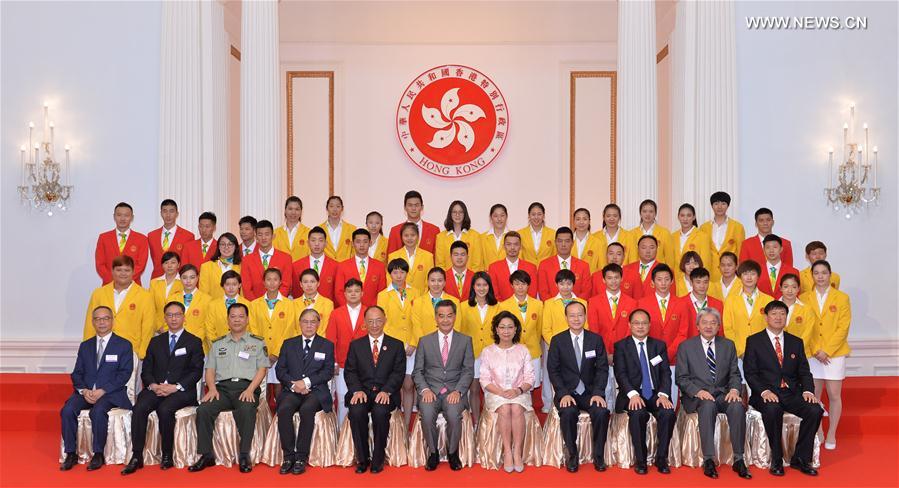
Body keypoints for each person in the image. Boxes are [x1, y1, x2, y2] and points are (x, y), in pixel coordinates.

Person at [122, 301, 204, 474]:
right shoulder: (155, 341)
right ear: (165, 318)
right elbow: (147, 370)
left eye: (177, 315)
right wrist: (152, 385)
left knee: (165, 409)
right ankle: (137, 455)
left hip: (181, 391)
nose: (173, 319)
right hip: (156, 388)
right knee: (140, 407)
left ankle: (167, 454)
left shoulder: (194, 342)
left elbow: (196, 371)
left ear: (184, 317)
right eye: (170, 315)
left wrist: (176, 387)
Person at [743, 301, 823, 476]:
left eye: (782, 314)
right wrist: (764, 391)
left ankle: (801, 459)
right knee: (773, 410)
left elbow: (804, 372)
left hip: (791, 393)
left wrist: (808, 391)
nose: (778, 317)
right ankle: (777, 460)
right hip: (765, 393)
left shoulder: (796, 342)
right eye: (774, 314)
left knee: (815, 410)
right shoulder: (754, 341)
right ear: (766, 317)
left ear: (786, 317)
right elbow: (750, 373)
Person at [189, 303, 268, 473]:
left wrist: (250, 390)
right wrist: (211, 388)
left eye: (241, 316)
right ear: (227, 320)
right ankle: (206, 454)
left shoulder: (257, 342)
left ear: (247, 319)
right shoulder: (218, 344)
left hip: (246, 388)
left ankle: (244, 454)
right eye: (233, 316)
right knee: (203, 410)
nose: (237, 320)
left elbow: (262, 369)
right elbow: (209, 370)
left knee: (247, 410)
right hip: (222, 389)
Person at [675, 308, 751, 480]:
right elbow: (681, 377)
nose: (709, 326)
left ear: (718, 326)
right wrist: (698, 391)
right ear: (697, 326)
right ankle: (708, 459)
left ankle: (739, 458)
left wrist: (734, 389)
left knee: (737, 406)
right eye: (704, 322)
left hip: (723, 393)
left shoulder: (728, 345)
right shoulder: (686, 347)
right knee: (708, 406)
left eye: (713, 323)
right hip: (698, 396)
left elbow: (734, 374)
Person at [60, 306, 135, 472]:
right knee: (67, 410)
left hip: (111, 393)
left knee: (98, 410)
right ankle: (71, 453)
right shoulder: (85, 346)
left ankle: (98, 454)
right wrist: (83, 391)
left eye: (106, 318)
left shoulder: (123, 345)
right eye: (98, 319)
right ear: (93, 322)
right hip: (87, 392)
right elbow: (77, 373)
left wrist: (103, 390)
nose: (102, 322)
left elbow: (124, 374)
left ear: (112, 320)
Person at [547, 301, 610, 473]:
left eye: (580, 315)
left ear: (585, 316)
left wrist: (598, 392)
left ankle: (598, 456)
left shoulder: (595, 339)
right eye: (572, 315)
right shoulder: (558, 340)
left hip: (590, 392)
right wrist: (562, 393)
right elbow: (553, 370)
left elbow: (602, 368)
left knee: (601, 412)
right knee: (568, 412)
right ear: (566, 318)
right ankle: (572, 455)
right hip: (567, 392)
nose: (576, 319)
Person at [413, 300, 475, 471]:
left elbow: (468, 371)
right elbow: (417, 371)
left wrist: (458, 391)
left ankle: (453, 453)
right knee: (426, 414)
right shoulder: (425, 341)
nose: (445, 320)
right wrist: (424, 389)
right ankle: (433, 454)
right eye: (441, 316)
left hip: (454, 391)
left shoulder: (465, 341)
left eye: (449, 316)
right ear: (436, 318)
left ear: (455, 317)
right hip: (430, 391)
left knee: (455, 415)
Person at [344, 306, 406, 474]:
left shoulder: (396, 345)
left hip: (385, 393)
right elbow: (350, 371)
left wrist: (386, 391)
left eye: (378, 320)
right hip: (362, 392)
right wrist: (356, 390)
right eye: (370, 321)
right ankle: (362, 460)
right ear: (364, 323)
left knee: (380, 413)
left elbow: (398, 373)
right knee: (356, 412)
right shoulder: (356, 345)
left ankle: (377, 460)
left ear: (385, 320)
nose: (375, 325)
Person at [613, 309, 675, 475]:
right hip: (631, 393)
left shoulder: (658, 345)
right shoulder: (621, 346)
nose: (640, 326)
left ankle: (661, 458)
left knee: (668, 413)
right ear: (630, 325)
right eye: (636, 323)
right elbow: (620, 374)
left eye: (644, 323)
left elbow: (665, 373)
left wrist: (663, 395)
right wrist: (633, 394)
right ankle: (641, 460)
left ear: (649, 325)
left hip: (654, 393)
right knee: (638, 413)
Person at [275, 309, 336, 475]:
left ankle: (301, 457)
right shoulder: (288, 343)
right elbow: (280, 370)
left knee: (307, 409)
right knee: (284, 409)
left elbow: (328, 372)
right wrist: (294, 385)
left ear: (318, 324)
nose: (309, 325)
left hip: (315, 390)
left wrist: (306, 382)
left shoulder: (327, 345)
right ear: (299, 323)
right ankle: (288, 456)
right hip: (292, 389)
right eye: (305, 321)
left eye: (313, 322)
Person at [800, 260, 851, 450]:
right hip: (812, 354)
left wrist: (827, 350)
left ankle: (832, 433)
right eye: (816, 273)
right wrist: (814, 350)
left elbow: (843, 327)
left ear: (830, 275)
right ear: (811, 276)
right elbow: (804, 326)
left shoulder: (842, 298)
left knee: (834, 394)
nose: (820, 276)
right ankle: (818, 430)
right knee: (813, 395)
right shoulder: (804, 298)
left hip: (834, 354)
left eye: (824, 273)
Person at [479, 311, 536, 473]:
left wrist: (517, 390)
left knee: (516, 408)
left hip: (519, 392)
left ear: (516, 329)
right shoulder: (488, 351)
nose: (506, 331)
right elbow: (484, 379)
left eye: (510, 327)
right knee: (505, 408)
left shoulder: (523, 350)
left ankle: (517, 451)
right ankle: (507, 451)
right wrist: (501, 392)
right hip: (495, 393)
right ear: (496, 329)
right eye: (502, 327)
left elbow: (530, 377)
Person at [83, 255, 155, 359]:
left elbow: (148, 327)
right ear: (112, 271)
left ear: (133, 271)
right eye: (119, 269)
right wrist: (88, 350)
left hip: (131, 352)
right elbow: (90, 324)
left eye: (127, 270)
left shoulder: (145, 296)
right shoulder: (98, 293)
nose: (123, 273)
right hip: (101, 350)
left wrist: (142, 353)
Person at [586, 263, 637, 411]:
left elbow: (631, 330)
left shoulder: (632, 302)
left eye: (616, 277)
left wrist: (618, 354)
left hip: (624, 353)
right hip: (602, 353)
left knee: (623, 389)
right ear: (603, 280)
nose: (613, 281)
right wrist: (605, 354)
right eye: (609, 278)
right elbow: (594, 330)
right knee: (604, 389)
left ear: (622, 279)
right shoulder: (594, 301)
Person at [637, 264, 688, 407]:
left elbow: (683, 333)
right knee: (649, 400)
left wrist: (667, 354)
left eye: (667, 279)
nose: (663, 283)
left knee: (670, 399)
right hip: (649, 358)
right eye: (659, 279)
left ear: (672, 281)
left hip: (673, 360)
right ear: (652, 282)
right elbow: (640, 331)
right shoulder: (642, 303)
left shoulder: (681, 304)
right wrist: (655, 355)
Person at [377, 259, 420, 429]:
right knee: (393, 385)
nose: (399, 275)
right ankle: (394, 426)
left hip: (411, 345)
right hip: (391, 346)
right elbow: (382, 321)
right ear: (390, 274)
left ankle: (407, 423)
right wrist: (395, 345)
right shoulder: (383, 294)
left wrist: (414, 342)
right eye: (395, 272)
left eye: (402, 272)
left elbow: (418, 319)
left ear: (406, 273)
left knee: (409, 385)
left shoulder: (415, 292)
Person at [541, 269, 587, 412]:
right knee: (551, 374)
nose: (565, 287)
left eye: (569, 283)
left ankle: (579, 397)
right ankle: (548, 403)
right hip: (553, 346)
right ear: (556, 285)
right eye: (562, 283)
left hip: (577, 345)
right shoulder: (549, 303)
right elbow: (545, 329)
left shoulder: (582, 302)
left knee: (577, 372)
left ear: (573, 284)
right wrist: (556, 345)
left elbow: (586, 324)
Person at [326, 279, 369, 426]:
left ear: (362, 293)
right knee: (343, 398)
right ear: (344, 294)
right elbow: (331, 340)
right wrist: (334, 361)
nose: (353, 294)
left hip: (365, 366)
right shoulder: (336, 314)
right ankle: (341, 432)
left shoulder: (368, 312)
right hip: (342, 364)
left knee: (362, 399)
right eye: (350, 291)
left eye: (357, 291)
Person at [497, 270, 543, 408]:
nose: (520, 287)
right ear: (512, 285)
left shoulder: (538, 304)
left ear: (528, 285)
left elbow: (539, 329)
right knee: (515, 384)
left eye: (523, 283)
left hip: (533, 351)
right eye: (516, 283)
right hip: (513, 351)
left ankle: (529, 414)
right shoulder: (504, 305)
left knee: (531, 385)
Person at [249, 268, 297, 399]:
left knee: (279, 390)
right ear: (263, 282)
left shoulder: (289, 304)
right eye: (268, 279)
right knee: (262, 391)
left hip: (282, 354)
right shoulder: (254, 305)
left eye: (275, 279)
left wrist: (275, 354)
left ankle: (278, 418)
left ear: (280, 282)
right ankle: (264, 419)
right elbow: (253, 330)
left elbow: (289, 330)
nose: (272, 283)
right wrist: (264, 353)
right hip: (260, 354)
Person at [459, 271, 500, 425]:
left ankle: (491, 422)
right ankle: (476, 422)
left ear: (489, 287)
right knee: (475, 389)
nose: (481, 288)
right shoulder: (463, 306)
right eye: (478, 285)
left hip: (493, 354)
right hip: (473, 353)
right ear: (473, 287)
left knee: (492, 389)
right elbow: (461, 331)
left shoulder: (497, 306)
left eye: (484, 285)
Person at [723, 260, 775, 359]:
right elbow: (728, 328)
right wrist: (740, 351)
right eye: (745, 274)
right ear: (740, 276)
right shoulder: (730, 300)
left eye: (753, 274)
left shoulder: (769, 300)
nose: (749, 277)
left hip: (764, 353)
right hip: (739, 354)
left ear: (758, 276)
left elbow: (772, 327)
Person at [94, 202, 149, 285]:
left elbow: (141, 265)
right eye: (119, 215)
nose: (122, 219)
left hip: (133, 287)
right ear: (114, 216)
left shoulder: (142, 239)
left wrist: (125, 281)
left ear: (132, 217)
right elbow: (100, 264)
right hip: (109, 286)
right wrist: (114, 281)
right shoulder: (103, 238)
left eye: (126, 215)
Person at [241, 220, 293, 300]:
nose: (263, 238)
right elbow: (246, 288)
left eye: (267, 234)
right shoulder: (247, 260)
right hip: (255, 307)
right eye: (260, 234)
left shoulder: (286, 258)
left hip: (278, 305)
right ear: (256, 237)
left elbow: (286, 285)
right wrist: (257, 305)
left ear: (273, 236)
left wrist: (275, 302)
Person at [699, 191, 746, 281]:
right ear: (712, 206)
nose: (719, 207)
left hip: (730, 272)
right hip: (709, 272)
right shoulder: (703, 228)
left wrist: (739, 271)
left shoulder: (737, 227)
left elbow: (741, 251)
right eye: (716, 204)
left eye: (723, 204)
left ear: (728, 206)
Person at [334, 229, 387, 307]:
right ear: (352, 244)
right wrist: (350, 308)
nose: (362, 245)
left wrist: (371, 310)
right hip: (349, 311)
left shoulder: (379, 266)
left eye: (365, 242)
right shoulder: (342, 266)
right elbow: (339, 292)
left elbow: (381, 292)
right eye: (358, 242)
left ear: (370, 243)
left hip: (372, 313)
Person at [409, 268, 462, 347]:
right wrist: (426, 345)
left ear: (444, 282)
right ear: (428, 282)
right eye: (432, 280)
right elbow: (417, 327)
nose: (436, 284)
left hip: (448, 346)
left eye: (440, 280)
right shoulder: (418, 302)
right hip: (425, 346)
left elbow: (456, 326)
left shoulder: (455, 301)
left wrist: (446, 344)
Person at [537, 227, 593, 299]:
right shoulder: (544, 265)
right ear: (555, 242)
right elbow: (543, 291)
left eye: (567, 241)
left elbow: (586, 291)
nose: (563, 244)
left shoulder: (583, 266)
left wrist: (574, 306)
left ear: (572, 243)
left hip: (577, 308)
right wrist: (555, 306)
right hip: (552, 308)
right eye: (560, 241)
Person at [147, 199, 195, 279]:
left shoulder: (188, 236)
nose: (168, 215)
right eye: (165, 211)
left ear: (177, 214)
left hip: (179, 280)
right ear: (161, 213)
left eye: (171, 211)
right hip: (156, 280)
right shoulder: (152, 236)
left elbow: (187, 262)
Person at [621, 235, 677, 301]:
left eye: (652, 247)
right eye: (644, 247)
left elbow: (671, 298)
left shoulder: (666, 271)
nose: (648, 251)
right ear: (638, 249)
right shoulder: (625, 269)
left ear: (657, 249)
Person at [487, 231, 538, 302]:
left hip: (525, 309)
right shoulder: (493, 268)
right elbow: (494, 293)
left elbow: (532, 293)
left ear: (520, 246)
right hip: (502, 310)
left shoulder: (531, 267)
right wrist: (506, 308)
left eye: (516, 244)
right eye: (509, 244)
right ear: (504, 246)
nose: (512, 247)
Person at [670, 204, 714, 286]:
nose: (685, 219)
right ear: (678, 217)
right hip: (677, 281)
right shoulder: (672, 236)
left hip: (695, 281)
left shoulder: (702, 236)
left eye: (689, 215)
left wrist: (701, 282)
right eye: (682, 215)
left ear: (694, 217)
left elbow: (705, 262)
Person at [291, 226, 338, 301]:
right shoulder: (296, 266)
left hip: (327, 309)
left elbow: (337, 292)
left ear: (326, 243)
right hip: (303, 309)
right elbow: (295, 291)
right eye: (313, 240)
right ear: (308, 243)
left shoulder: (336, 266)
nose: (317, 244)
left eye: (320, 240)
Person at [388, 222, 435, 295]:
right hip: (400, 299)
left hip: (421, 298)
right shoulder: (393, 256)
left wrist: (422, 299)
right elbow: (390, 281)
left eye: (413, 235)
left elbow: (429, 282)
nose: (409, 238)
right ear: (401, 237)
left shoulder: (428, 256)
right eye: (406, 235)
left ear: (418, 236)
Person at [435, 200, 484, 271]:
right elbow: (440, 264)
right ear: (450, 214)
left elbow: (477, 264)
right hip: (448, 280)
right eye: (454, 212)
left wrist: (470, 280)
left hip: (470, 280)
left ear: (465, 214)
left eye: (461, 212)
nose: (457, 215)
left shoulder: (475, 236)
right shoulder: (441, 237)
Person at [387, 190, 440, 254]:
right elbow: (391, 258)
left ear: (422, 207)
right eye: (410, 205)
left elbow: (437, 259)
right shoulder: (395, 231)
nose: (413, 208)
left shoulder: (434, 230)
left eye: (416, 205)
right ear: (405, 207)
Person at [204, 270, 250, 345]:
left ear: (239, 285)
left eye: (234, 284)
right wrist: (216, 347)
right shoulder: (212, 305)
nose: (231, 288)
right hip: (218, 348)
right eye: (227, 284)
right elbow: (209, 329)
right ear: (222, 285)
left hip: (242, 346)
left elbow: (249, 328)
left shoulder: (248, 304)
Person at [779, 273, 819, 359]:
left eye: (794, 287)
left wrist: (794, 350)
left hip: (801, 355)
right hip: (776, 355)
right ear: (780, 288)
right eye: (786, 287)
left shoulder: (807, 309)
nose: (790, 290)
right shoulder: (771, 308)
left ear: (798, 289)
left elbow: (807, 334)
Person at [680, 267, 724, 338]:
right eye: (698, 282)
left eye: (705, 282)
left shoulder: (718, 304)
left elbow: (720, 330)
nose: (702, 286)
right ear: (691, 283)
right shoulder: (680, 303)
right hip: (687, 346)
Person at [176, 264, 212, 352]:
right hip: (176, 345)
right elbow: (167, 322)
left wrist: (192, 341)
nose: (188, 281)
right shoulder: (172, 298)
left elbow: (207, 325)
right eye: (184, 277)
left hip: (199, 346)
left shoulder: (207, 299)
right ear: (180, 278)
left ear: (197, 278)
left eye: (192, 277)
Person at [628, 199, 673, 268]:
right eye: (644, 211)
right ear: (640, 213)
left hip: (659, 273)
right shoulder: (632, 233)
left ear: (655, 214)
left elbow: (670, 258)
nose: (647, 214)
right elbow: (632, 257)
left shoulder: (665, 232)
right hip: (638, 272)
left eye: (651, 211)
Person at [199, 232, 242, 300]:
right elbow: (204, 294)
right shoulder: (206, 267)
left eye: (230, 244)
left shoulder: (241, 267)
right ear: (218, 246)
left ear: (235, 247)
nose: (226, 247)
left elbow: (242, 293)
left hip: (236, 308)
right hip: (213, 308)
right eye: (223, 244)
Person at [150, 251, 184, 332]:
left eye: (173, 262)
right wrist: (158, 326)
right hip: (157, 327)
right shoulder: (154, 282)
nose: (169, 266)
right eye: (166, 263)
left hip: (178, 326)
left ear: (178, 264)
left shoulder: (183, 282)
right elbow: (150, 307)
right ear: (162, 265)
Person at [294, 269, 334, 337]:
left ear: (318, 283)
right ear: (301, 284)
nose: (309, 285)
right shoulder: (293, 304)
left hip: (320, 343)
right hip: (298, 344)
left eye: (312, 281)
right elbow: (293, 328)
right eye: (305, 282)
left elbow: (326, 329)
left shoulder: (328, 304)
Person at [757, 235, 799, 299]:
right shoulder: (757, 271)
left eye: (775, 247)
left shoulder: (793, 272)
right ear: (763, 250)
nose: (771, 250)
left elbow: (796, 295)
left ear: (781, 249)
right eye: (768, 247)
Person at [273, 196, 311, 261]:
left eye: (297, 209)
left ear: (301, 211)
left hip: (302, 270)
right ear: (285, 210)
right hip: (280, 270)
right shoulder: (275, 233)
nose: (293, 212)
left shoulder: (309, 233)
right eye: (290, 209)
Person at [591, 204, 629, 269]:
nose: (612, 219)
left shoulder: (629, 236)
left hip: (624, 276)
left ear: (619, 217)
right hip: (601, 275)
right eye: (608, 216)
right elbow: (593, 262)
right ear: (603, 217)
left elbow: (633, 260)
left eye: (615, 216)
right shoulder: (594, 237)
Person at [321, 196, 357, 262]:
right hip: (326, 267)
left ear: (342, 208)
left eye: (338, 206)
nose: (335, 209)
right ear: (327, 208)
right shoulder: (319, 229)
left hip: (346, 268)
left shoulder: (352, 229)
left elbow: (355, 252)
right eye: (331, 206)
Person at [570, 208, 603, 273]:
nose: (581, 222)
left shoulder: (597, 242)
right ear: (573, 221)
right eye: (578, 219)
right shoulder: (567, 241)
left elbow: (601, 267)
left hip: (590, 280)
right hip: (570, 281)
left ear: (589, 221)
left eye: (585, 219)